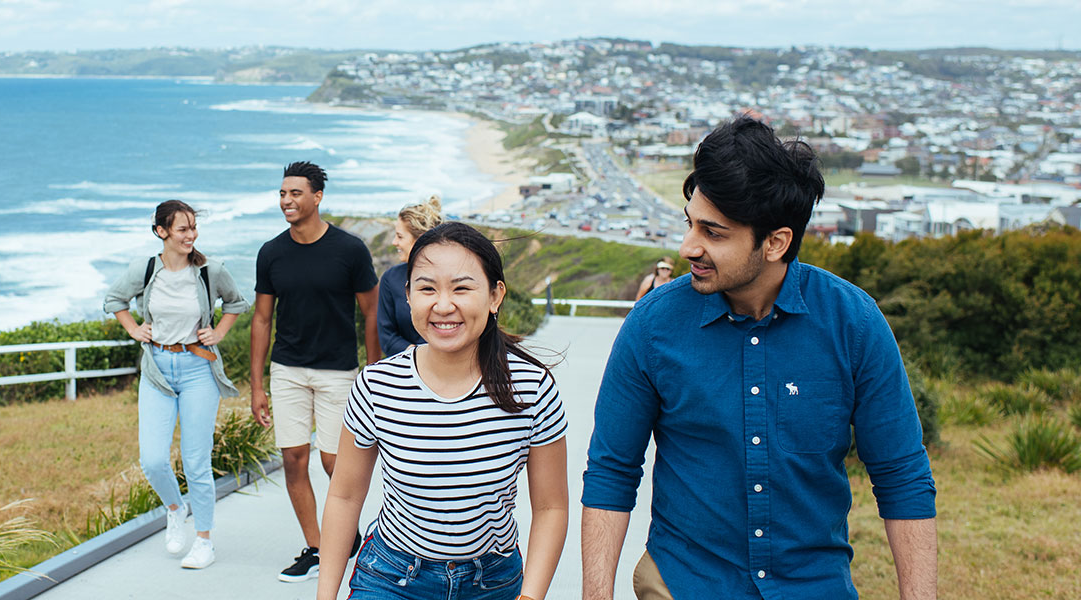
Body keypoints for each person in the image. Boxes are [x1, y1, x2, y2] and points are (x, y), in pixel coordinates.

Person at [581, 116, 937, 599]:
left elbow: (902, 476)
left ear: (775, 242)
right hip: (684, 583)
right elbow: (612, 470)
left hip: (813, 587)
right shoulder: (651, 325)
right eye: (691, 223)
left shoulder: (853, 324)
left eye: (714, 233)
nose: (689, 247)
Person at [317, 222, 570, 600]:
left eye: (462, 288)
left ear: (495, 296)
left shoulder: (532, 388)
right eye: (427, 288)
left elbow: (551, 507)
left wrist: (530, 596)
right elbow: (344, 496)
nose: (443, 305)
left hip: (493, 582)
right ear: (408, 295)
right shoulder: (377, 385)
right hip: (391, 577)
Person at [251, 160, 381, 582]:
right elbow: (261, 319)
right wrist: (257, 385)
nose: (287, 200)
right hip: (287, 369)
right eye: (282, 194)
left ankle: (351, 537)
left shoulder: (350, 250)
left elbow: (372, 309)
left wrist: (376, 371)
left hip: (338, 373)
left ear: (317, 197)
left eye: (295, 193)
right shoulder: (271, 252)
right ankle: (319, 547)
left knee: (334, 463)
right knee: (293, 458)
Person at [103, 199, 249, 570]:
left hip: (199, 368)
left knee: (196, 462)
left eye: (193, 228)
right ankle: (174, 507)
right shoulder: (146, 268)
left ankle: (204, 540)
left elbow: (236, 303)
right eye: (182, 229)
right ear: (161, 232)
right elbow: (114, 299)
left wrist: (217, 332)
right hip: (157, 369)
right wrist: (134, 328)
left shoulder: (209, 270)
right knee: (152, 459)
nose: (191, 235)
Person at [377, 194, 444, 356]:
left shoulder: (452, 274)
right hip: (406, 368)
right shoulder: (391, 278)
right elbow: (387, 336)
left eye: (400, 236)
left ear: (421, 239)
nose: (394, 242)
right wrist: (420, 357)